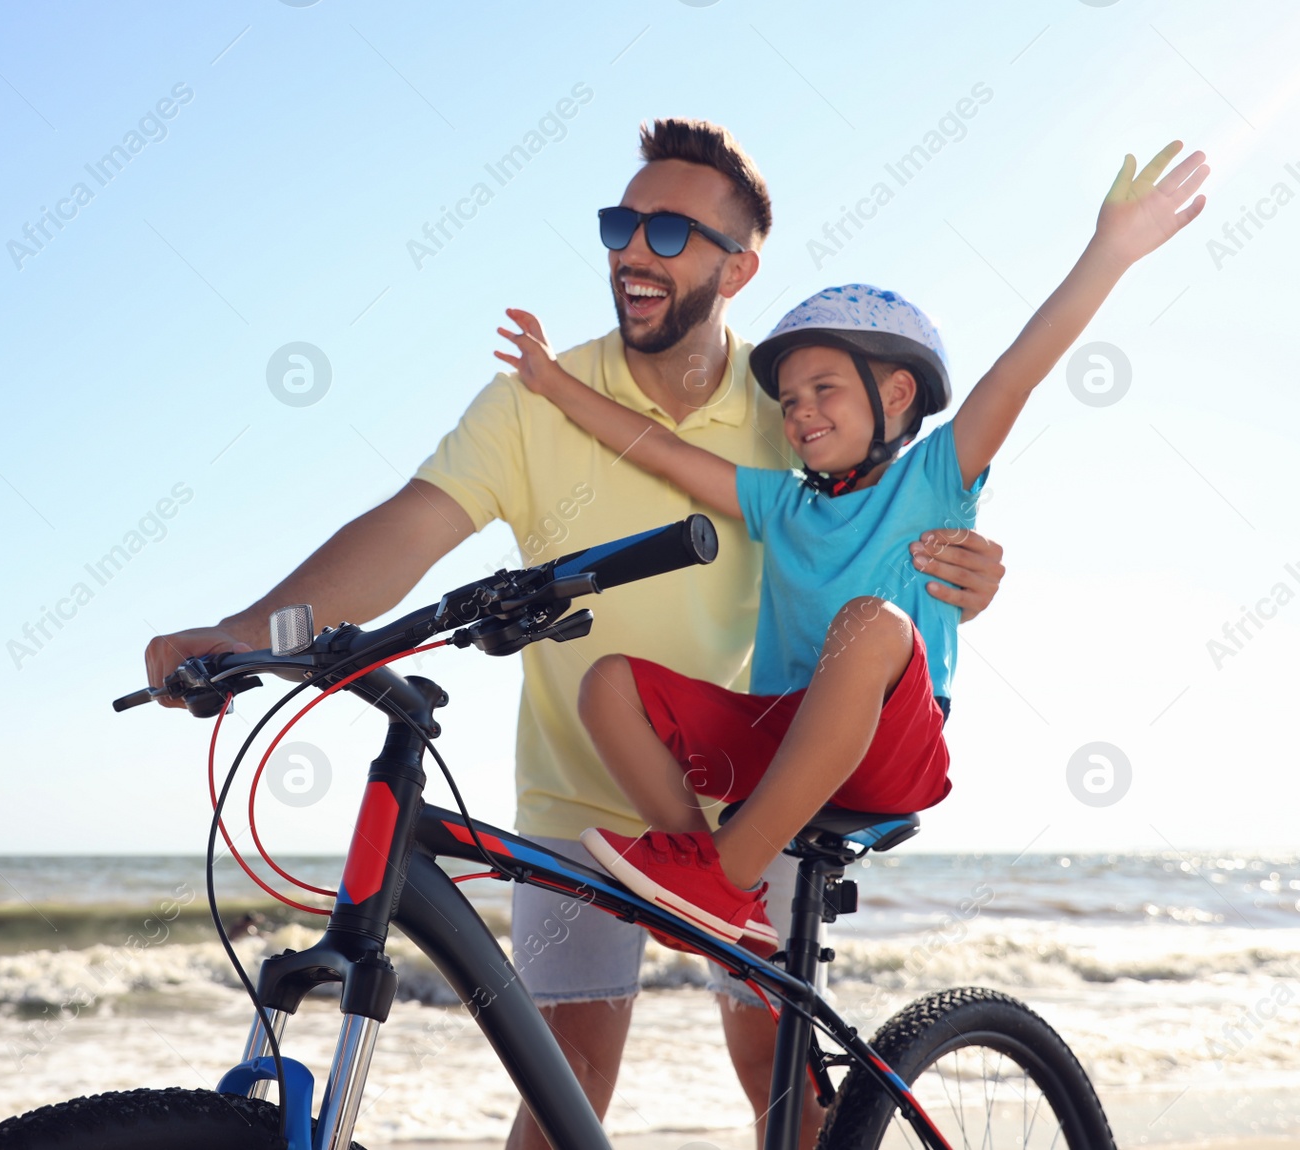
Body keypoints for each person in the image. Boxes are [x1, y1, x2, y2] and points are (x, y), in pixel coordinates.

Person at [145, 118, 1009, 1150]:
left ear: (740, 265)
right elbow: (411, 525)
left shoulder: (786, 401)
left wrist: (964, 575)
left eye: (670, 232)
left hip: (758, 786)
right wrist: (249, 630)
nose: (633, 251)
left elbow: (884, 523)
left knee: (779, 1086)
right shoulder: (533, 405)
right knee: (565, 1089)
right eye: (620, 224)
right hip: (574, 789)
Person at [496, 141, 1208, 955]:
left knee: (869, 621)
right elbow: (662, 452)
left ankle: (727, 874)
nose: (799, 414)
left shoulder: (935, 480)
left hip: (892, 751)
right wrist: (554, 383)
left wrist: (1110, 249)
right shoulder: (782, 502)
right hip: (776, 745)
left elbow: (1018, 373)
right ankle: (710, 879)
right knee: (609, 683)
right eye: (790, 400)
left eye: (823, 390)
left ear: (895, 394)